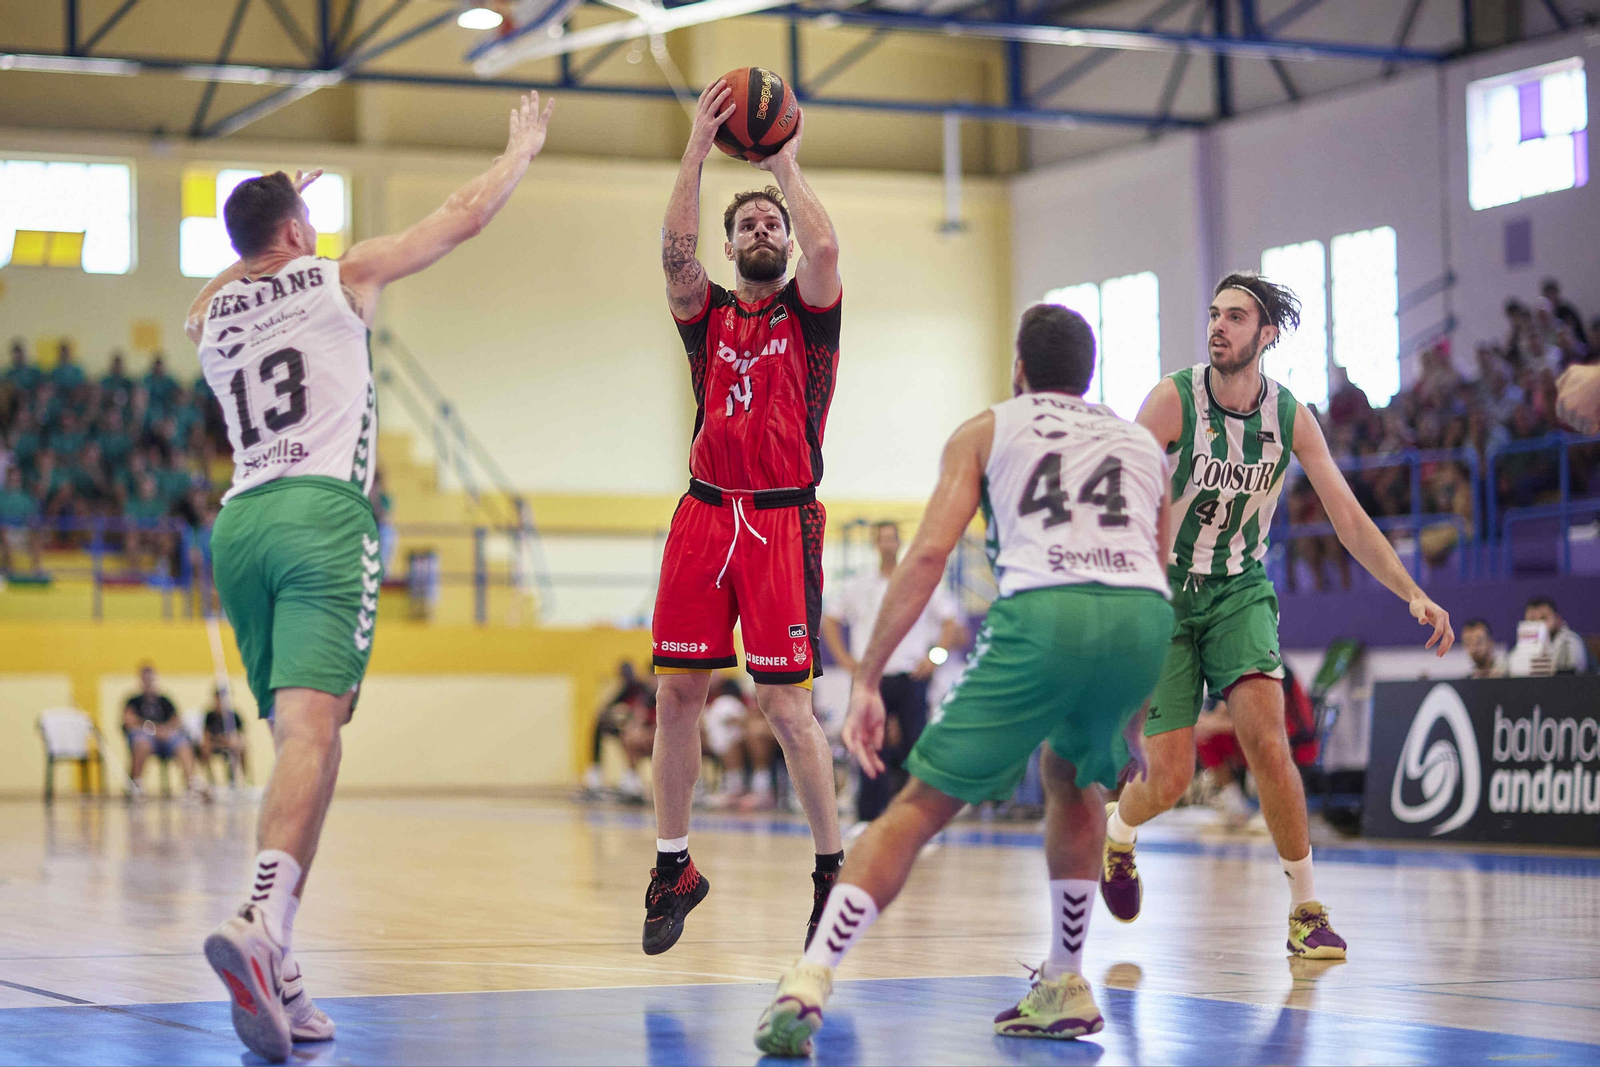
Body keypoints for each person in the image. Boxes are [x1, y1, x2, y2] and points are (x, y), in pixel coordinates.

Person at [185, 92, 556, 1063]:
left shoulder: (212, 311)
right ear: (301, 228)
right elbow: (461, 217)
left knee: (305, 738)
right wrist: (519, 148)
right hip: (319, 515)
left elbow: (207, 296)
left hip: (239, 527)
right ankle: (261, 921)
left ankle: (287, 967)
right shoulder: (338, 275)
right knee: (315, 733)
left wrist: (256, 234)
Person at [752, 304, 1175, 1054]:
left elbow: (924, 560)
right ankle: (1066, 981)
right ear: (1089, 372)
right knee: (1071, 773)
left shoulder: (988, 427)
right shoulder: (1140, 443)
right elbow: (1158, 567)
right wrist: (1136, 717)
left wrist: (869, 677)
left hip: (1047, 611)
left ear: (1019, 365)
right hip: (1142, 625)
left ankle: (809, 977)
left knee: (916, 808)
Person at [1099, 271, 1454, 961]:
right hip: (1166, 590)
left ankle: (1306, 909)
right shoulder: (1174, 399)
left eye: (1235, 316)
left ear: (1267, 334)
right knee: (1168, 779)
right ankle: (1119, 830)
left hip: (1239, 588)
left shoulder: (1289, 416)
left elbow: (1347, 518)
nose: (1218, 326)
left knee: (1269, 740)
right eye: (1214, 314)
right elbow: (1117, 485)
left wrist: (1411, 590)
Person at [644, 80, 843, 956]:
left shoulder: (813, 315)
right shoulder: (708, 315)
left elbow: (828, 243)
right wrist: (696, 146)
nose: (762, 232)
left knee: (783, 706)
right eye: (748, 227)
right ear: (729, 247)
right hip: (702, 515)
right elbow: (673, 255)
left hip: (780, 521)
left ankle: (832, 871)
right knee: (676, 693)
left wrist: (783, 163)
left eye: (772, 226)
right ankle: (673, 865)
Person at [822, 520, 965, 825]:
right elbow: (830, 619)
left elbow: (951, 621)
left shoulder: (920, 580)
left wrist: (934, 657)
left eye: (892, 538)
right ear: (875, 543)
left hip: (911, 677)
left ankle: (918, 820)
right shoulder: (856, 585)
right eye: (882, 538)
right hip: (871, 678)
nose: (887, 544)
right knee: (870, 746)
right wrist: (846, 660)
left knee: (917, 746)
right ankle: (868, 820)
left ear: (900, 542)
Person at [121, 663, 207, 797]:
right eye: (145, 679)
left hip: (165, 739)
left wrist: (164, 730)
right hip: (146, 737)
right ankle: (136, 783)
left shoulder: (164, 700)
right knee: (142, 741)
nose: (148, 682)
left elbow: (176, 721)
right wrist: (153, 729)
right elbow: (129, 721)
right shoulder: (133, 701)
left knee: (182, 743)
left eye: (151, 679)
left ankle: (191, 783)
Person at [581, 661, 655, 803]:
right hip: (641, 731)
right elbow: (606, 711)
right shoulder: (632, 690)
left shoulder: (649, 689)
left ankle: (633, 779)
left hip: (657, 734)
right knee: (623, 735)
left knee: (632, 738)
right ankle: (626, 777)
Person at [702, 676, 778, 811]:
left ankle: (763, 790)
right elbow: (753, 714)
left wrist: (750, 724)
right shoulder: (753, 690)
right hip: (759, 726)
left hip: (780, 731)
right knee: (734, 736)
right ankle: (735, 786)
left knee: (756, 732)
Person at [200, 685, 251, 785]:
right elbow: (206, 736)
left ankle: (238, 779)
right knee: (205, 749)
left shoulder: (234, 716)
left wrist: (232, 741)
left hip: (230, 745)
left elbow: (241, 736)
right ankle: (212, 781)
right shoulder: (210, 716)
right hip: (215, 745)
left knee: (242, 749)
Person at [1523, 596, 1588, 674]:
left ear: (1558, 620)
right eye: (1532, 620)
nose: (1539, 624)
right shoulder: (1521, 646)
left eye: (1543, 618)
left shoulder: (1570, 642)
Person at [0, 466, 42, 575]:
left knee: (35, 535)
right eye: (12, 478)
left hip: (22, 530)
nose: (14, 480)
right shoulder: (1, 496)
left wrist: (32, 525)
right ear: (7, 478)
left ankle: (36, 570)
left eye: (17, 478)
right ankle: (11, 570)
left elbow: (32, 518)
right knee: (4, 533)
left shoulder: (26, 498)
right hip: (4, 531)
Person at [1542, 278, 1588, 349]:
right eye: (1548, 295)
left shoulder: (1566, 311)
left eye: (1552, 293)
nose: (1551, 297)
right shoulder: (1544, 314)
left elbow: (1573, 331)